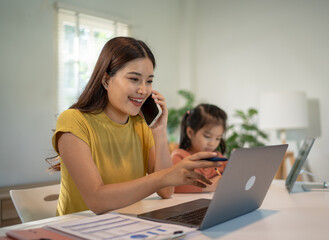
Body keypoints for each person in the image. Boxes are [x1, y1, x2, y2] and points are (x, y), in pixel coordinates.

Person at [51, 37, 221, 216]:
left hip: (128, 223)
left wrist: (159, 131)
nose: (143, 90)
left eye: (149, 81)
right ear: (106, 80)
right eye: (134, 79)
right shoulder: (73, 121)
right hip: (80, 228)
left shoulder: (141, 125)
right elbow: (98, 201)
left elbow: (166, 191)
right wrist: (164, 177)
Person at [171, 103, 228, 193]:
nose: (212, 143)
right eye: (207, 136)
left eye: (218, 138)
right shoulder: (180, 157)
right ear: (190, 132)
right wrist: (209, 187)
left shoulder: (219, 158)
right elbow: (173, 186)